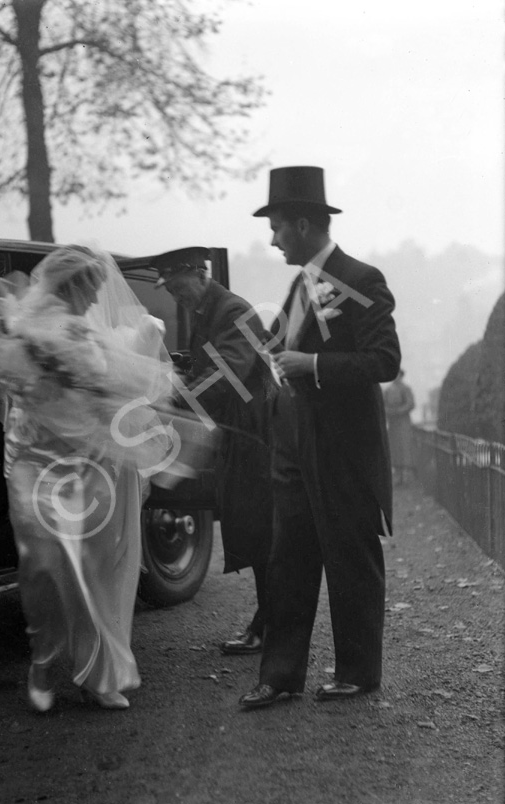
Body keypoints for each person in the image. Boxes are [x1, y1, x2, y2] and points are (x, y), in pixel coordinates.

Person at [0, 245, 174, 712]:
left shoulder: (85, 333)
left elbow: (111, 389)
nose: (97, 300)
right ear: (72, 284)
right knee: (42, 568)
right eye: (92, 289)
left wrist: (139, 350)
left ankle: (99, 676)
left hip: (86, 467)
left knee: (95, 571)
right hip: (32, 467)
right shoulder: (17, 327)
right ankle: (41, 663)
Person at [238, 166, 401, 709]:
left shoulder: (362, 278)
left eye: (278, 226)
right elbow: (275, 340)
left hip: (343, 448)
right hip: (295, 444)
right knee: (289, 558)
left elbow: (384, 361)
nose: (272, 237)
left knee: (350, 557)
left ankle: (358, 672)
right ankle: (281, 677)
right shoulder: (300, 283)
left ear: (303, 224)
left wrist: (310, 361)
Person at [152, 247, 276, 655]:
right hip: (238, 437)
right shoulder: (209, 311)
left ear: (199, 274)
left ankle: (270, 626)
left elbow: (228, 373)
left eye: (177, 285)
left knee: (262, 532)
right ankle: (268, 623)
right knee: (254, 532)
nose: (175, 295)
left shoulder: (231, 310)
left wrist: (179, 396)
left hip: (256, 438)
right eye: (169, 289)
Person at [383, 369, 416, 485]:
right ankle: (397, 476)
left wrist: (398, 411)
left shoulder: (406, 389)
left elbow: (410, 403)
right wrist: (389, 412)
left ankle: (406, 476)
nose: (396, 377)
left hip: (403, 423)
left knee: (405, 447)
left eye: (398, 375)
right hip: (393, 424)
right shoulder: (387, 390)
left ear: (401, 376)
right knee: (394, 448)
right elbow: (383, 405)